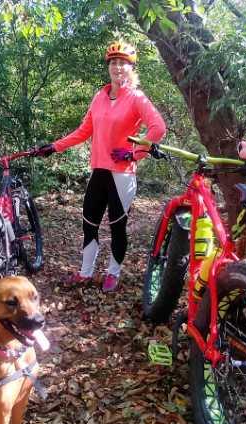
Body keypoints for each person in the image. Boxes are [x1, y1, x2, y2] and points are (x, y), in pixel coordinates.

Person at [35, 41, 166, 292]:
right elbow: (84, 130)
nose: (118, 67)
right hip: (99, 170)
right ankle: (85, 273)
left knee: (117, 226)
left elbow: (158, 128)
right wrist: (54, 146)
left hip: (122, 174)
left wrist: (134, 153)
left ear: (131, 68)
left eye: (123, 63)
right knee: (89, 223)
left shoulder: (136, 97)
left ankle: (112, 273)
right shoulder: (100, 96)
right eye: (114, 62)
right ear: (109, 67)